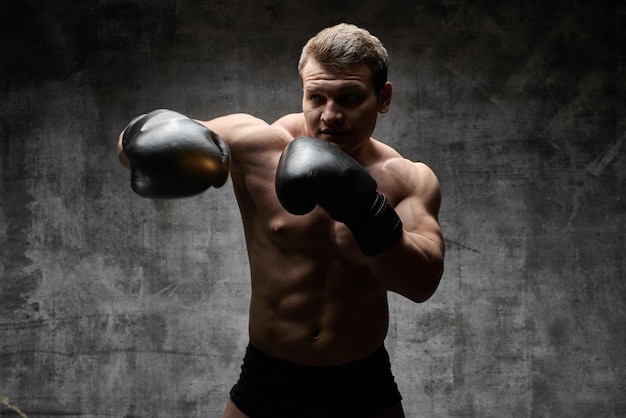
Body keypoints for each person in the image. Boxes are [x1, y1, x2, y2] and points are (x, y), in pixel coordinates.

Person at [117, 23, 444, 418]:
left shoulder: (409, 178)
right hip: (268, 377)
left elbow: (421, 282)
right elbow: (131, 147)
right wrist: (152, 143)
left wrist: (366, 209)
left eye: (350, 98)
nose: (330, 116)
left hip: (362, 382)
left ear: (383, 98)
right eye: (316, 97)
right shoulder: (257, 145)